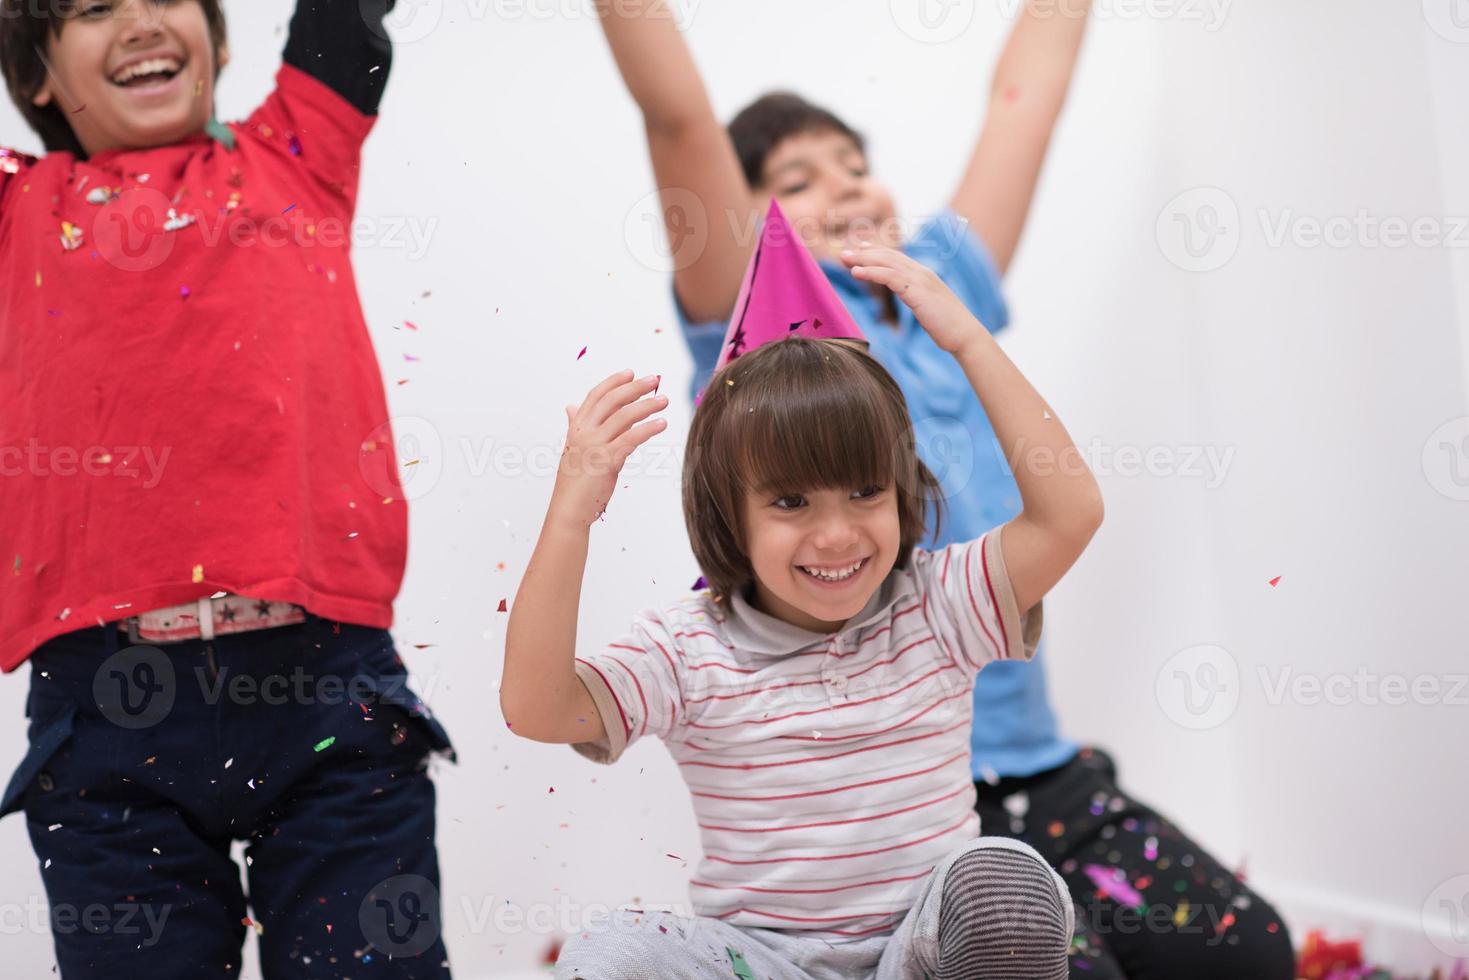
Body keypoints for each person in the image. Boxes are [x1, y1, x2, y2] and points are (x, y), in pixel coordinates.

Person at [595, 1, 1297, 975]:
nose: (845, 186)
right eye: (796, 180)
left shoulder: (938, 293)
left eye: (853, 164)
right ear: (747, 227)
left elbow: (1026, 106)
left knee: (1249, 952)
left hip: (1040, 774)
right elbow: (675, 118)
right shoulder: (752, 343)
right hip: (902, 819)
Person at [501, 203, 1106, 979]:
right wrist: (571, 515)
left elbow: (1070, 513)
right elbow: (536, 707)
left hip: (918, 962)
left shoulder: (939, 603)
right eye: (789, 503)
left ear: (901, 492)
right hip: (763, 966)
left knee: (1003, 878)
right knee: (609, 951)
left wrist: (963, 339)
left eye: (864, 492)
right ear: (729, 517)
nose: (835, 535)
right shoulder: (687, 646)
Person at [0, 1, 453, 975]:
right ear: (35, 74)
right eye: (91, 9)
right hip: (106, 716)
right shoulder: (15, 210)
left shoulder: (299, 148)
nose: (138, 23)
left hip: (327, 689)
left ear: (218, 35)